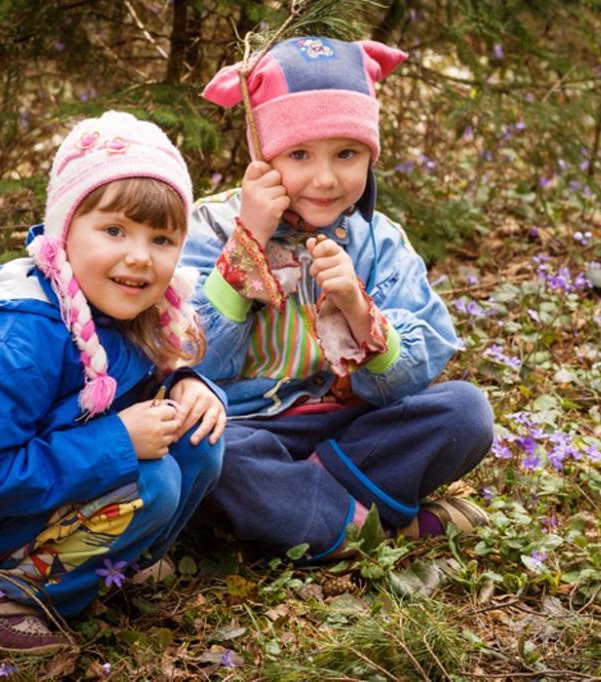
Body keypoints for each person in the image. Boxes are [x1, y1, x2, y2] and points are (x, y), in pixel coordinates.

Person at [0, 111, 226, 655]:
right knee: (153, 481)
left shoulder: (118, 306)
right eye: (114, 230)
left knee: (196, 440)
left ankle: (111, 566)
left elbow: (136, 385)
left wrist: (187, 382)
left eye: (161, 238)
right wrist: (120, 441)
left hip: (30, 499)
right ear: (66, 231)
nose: (139, 256)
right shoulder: (8, 342)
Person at [183, 36, 494, 561]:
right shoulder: (208, 226)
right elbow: (189, 356)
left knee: (466, 412)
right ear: (263, 154)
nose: (325, 179)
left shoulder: (379, 239)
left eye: (347, 154)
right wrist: (246, 249)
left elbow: (422, 361)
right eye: (299, 154)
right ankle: (372, 527)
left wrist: (356, 307)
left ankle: (297, 516)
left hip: (349, 427)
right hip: (247, 431)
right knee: (206, 456)